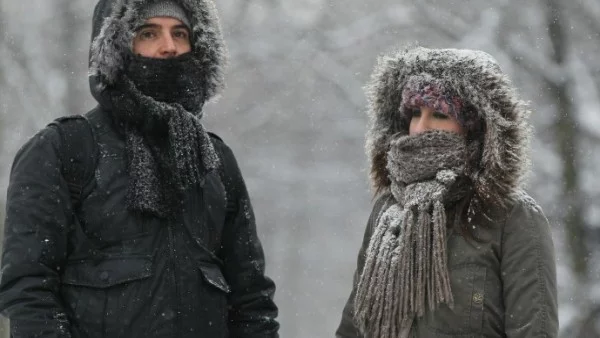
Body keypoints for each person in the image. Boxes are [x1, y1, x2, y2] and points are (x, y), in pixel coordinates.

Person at [0, 1, 279, 337]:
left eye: (181, 33)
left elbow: (252, 303)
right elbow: (29, 291)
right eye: (148, 33)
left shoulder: (215, 161)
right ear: (117, 46)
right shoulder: (62, 149)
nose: (169, 46)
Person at [335, 46, 558, 337]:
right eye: (415, 113)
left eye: (438, 115)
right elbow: (354, 328)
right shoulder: (389, 209)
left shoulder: (511, 217)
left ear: (474, 126)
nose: (421, 127)